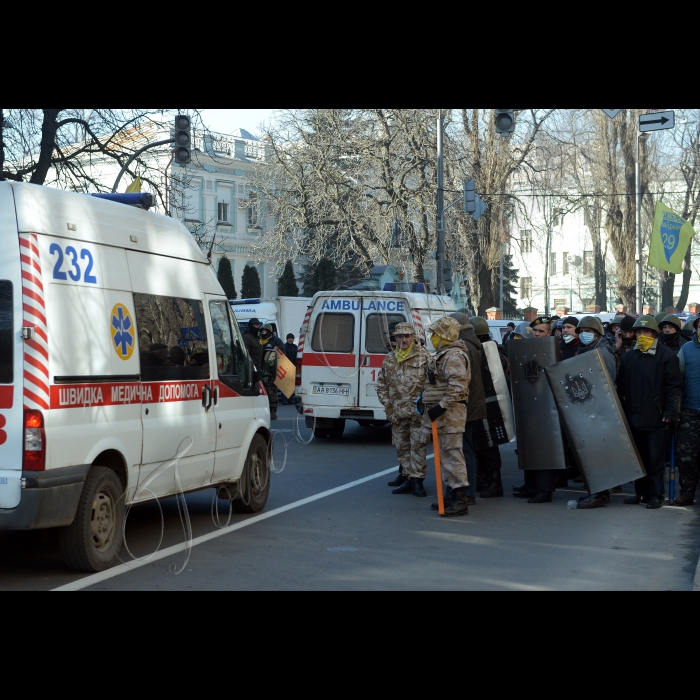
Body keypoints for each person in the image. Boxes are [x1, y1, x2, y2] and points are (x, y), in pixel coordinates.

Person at [616, 315, 682, 509]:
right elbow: (621, 385)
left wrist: (670, 412)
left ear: (655, 334)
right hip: (633, 416)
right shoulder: (629, 356)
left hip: (657, 417)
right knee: (638, 457)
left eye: (646, 332)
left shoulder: (666, 356)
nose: (642, 335)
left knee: (655, 459)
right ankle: (640, 493)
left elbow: (674, 387)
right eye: (639, 332)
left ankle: (655, 495)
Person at [421, 317, 471, 517]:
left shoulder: (454, 356)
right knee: (445, 456)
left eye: (435, 334)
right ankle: (451, 494)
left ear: (445, 335)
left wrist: (441, 407)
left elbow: (458, 386)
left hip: (451, 414)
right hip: (443, 414)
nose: (432, 338)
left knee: (453, 456)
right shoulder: (444, 354)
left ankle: (460, 499)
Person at [377, 323, 431, 496]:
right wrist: (388, 404)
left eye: (407, 336)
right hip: (397, 412)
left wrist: (425, 405)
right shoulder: (390, 358)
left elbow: (432, 384)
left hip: (417, 413)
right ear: (396, 338)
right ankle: (407, 477)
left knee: (418, 446)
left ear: (413, 336)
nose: (404, 339)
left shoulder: (424, 357)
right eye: (400, 336)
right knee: (401, 447)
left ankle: (417, 481)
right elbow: (381, 384)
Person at [575, 317, 620, 509]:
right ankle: (595, 491)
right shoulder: (586, 350)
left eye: (588, 330)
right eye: (581, 330)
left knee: (598, 454)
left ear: (597, 333)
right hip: (589, 409)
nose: (584, 334)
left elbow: (607, 382)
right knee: (590, 454)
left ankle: (600, 494)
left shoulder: (603, 352)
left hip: (600, 410)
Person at [443, 313, 486, 506]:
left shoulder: (464, 346)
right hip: (471, 403)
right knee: (465, 448)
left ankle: (466, 493)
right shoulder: (471, 343)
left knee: (464, 449)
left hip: (464, 405)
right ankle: (464, 491)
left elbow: (460, 381)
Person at [468, 315, 508, 498]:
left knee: (490, 446)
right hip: (479, 404)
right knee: (480, 446)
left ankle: (495, 483)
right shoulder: (477, 350)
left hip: (490, 406)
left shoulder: (493, 353)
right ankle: (484, 479)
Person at [675, 317, 700, 505]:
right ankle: (687, 492)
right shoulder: (686, 350)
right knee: (687, 457)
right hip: (690, 411)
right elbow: (678, 379)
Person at [260, 323, 284, 419]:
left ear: (269, 331)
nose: (263, 333)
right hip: (260, 369)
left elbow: (282, 353)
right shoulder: (260, 341)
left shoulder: (276, 341)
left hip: (271, 370)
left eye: (265, 331)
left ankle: (273, 410)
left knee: (271, 390)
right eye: (262, 331)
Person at [280, 334, 298, 404]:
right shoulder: (284, 347)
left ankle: (290, 399)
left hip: (293, 368)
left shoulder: (295, 347)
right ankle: (284, 400)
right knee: (284, 384)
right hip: (285, 367)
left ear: (293, 339)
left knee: (291, 384)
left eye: (291, 338)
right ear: (287, 339)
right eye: (289, 338)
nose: (290, 339)